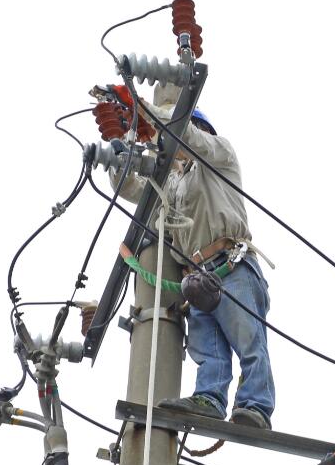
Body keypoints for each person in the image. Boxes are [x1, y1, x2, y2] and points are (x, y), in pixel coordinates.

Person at [110, 102, 275, 429]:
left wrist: (143, 108)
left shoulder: (219, 156)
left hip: (231, 267)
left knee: (248, 341)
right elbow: (130, 188)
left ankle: (256, 406)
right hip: (197, 280)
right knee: (207, 349)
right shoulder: (171, 183)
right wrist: (123, 151)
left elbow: (184, 135)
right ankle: (209, 399)